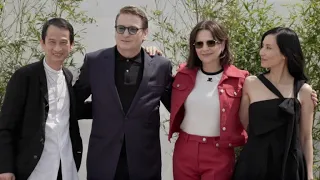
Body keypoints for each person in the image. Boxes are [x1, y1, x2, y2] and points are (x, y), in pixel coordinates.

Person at [167, 21, 318, 180]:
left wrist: (309, 175)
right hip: (192, 151)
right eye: (199, 44)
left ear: (223, 43)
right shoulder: (183, 75)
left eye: (211, 42)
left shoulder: (240, 79)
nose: (204, 48)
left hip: (228, 153)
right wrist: (150, 53)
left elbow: (304, 137)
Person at [74, 5, 172, 180]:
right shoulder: (95, 62)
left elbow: (176, 106)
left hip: (144, 163)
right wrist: (99, 110)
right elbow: (73, 102)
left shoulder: (160, 66)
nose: (125, 34)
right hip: (103, 161)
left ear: (145, 33)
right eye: (121, 28)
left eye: (133, 29)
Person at [0, 18, 89, 180]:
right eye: (51, 42)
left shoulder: (68, 77)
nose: (57, 48)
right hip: (35, 169)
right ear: (42, 43)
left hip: (66, 166)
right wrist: (5, 168)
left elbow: (73, 110)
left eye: (63, 42)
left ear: (71, 45)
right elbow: (5, 127)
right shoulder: (25, 77)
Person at [232, 27, 314, 180]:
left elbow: (306, 137)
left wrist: (309, 175)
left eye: (268, 48)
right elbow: (245, 122)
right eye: (262, 46)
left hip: (290, 167)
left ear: (285, 53)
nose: (262, 52)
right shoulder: (251, 83)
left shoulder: (304, 91)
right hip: (253, 164)